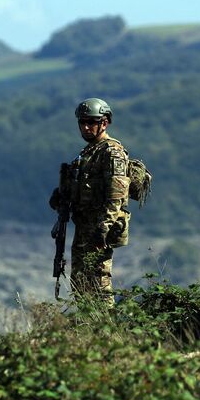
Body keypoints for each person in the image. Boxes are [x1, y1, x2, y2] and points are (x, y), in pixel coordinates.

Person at [50, 98, 131, 304]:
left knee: (99, 286)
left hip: (98, 231)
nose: (86, 127)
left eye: (91, 122)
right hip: (84, 227)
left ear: (104, 123)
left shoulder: (112, 152)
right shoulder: (89, 153)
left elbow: (116, 197)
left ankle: (107, 333)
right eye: (82, 122)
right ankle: (90, 329)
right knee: (81, 286)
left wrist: (102, 230)